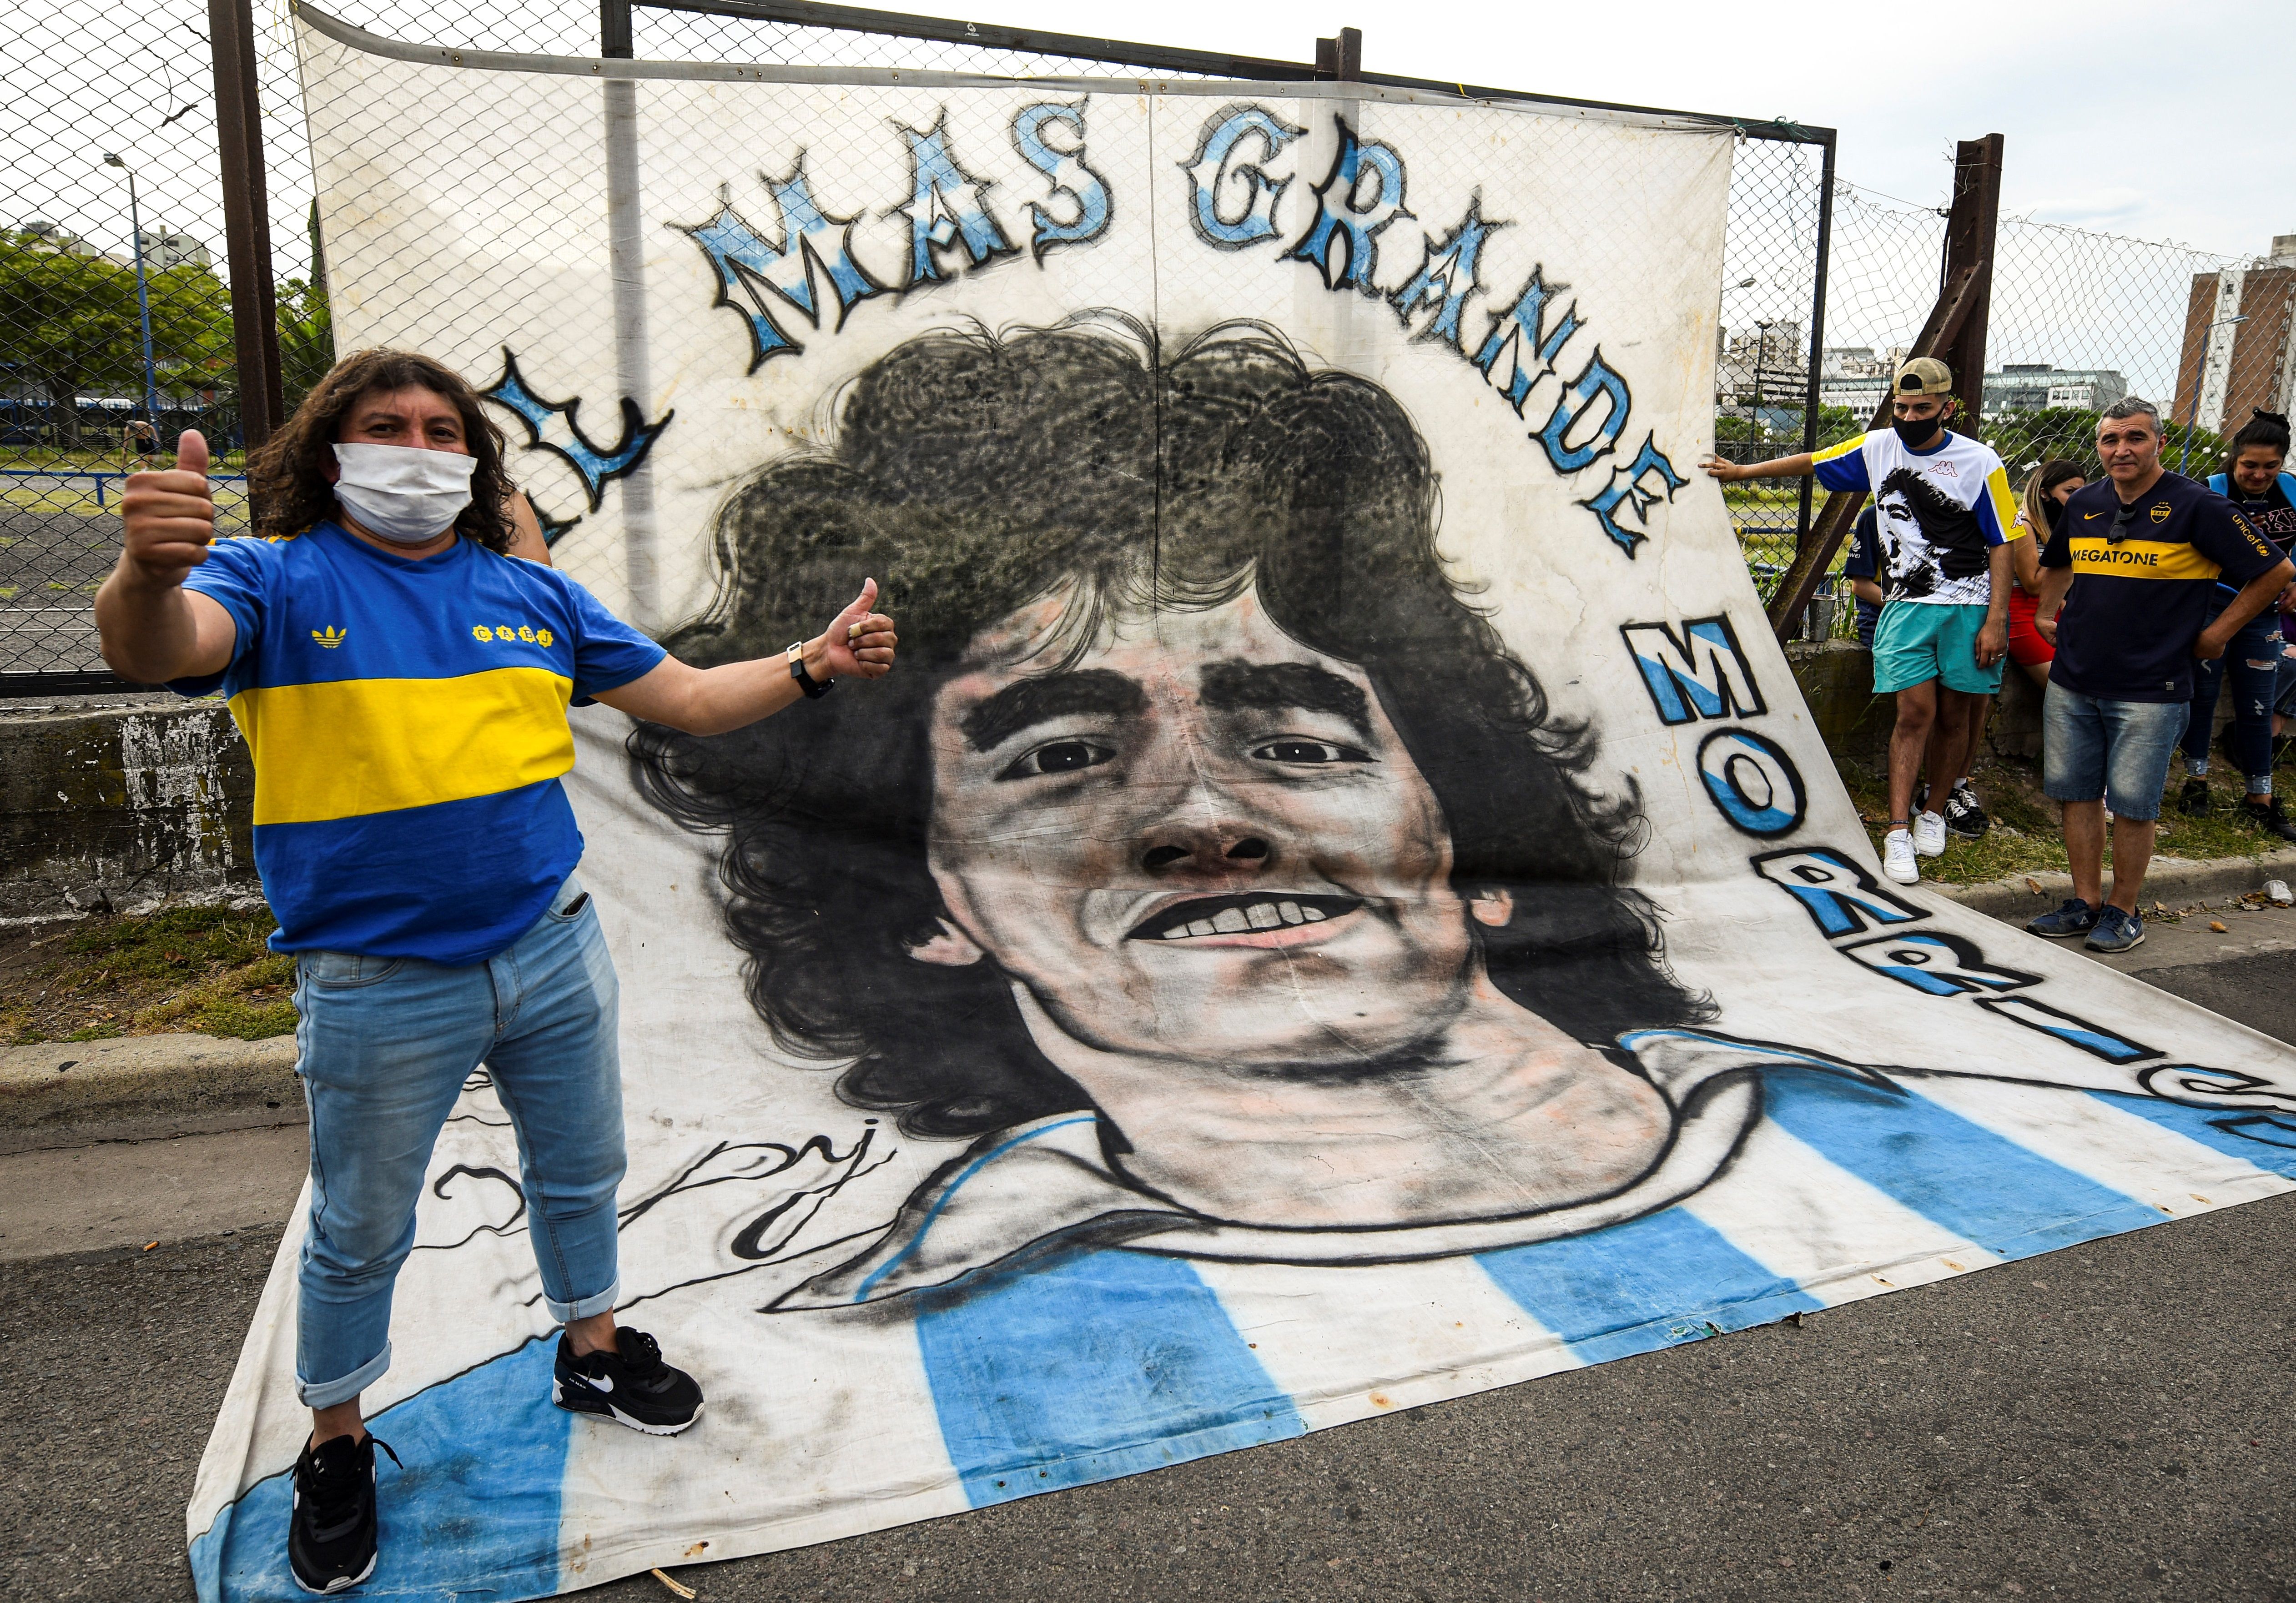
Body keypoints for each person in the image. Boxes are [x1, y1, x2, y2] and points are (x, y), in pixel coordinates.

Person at [94, 347, 899, 1595]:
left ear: (473, 459)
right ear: (328, 453)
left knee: (582, 1172)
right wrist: (145, 572)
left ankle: (590, 1349)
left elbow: (684, 696)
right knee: (360, 1232)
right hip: (374, 980)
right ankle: (336, 1442)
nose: (417, 447)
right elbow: (159, 645)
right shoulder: (272, 576)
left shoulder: (533, 596)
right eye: (384, 425)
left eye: (440, 428)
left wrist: (812, 662)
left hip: (552, 946)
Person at [1706, 357, 2013, 885]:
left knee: (1954, 717)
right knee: (1913, 712)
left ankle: (1933, 812)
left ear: (1945, 408)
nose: (1908, 416)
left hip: (1967, 608)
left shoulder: (1981, 462)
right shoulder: (1878, 448)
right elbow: (1811, 461)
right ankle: (1897, 831)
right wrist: (1741, 472)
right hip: (1905, 608)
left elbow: (2002, 539)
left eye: (1920, 408)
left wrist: (1996, 619)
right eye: (1900, 406)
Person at [2028, 398, 2290, 952]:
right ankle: (2084, 902)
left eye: (2134, 438)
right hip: (2075, 680)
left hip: (2153, 687)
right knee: (2076, 795)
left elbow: (2275, 573)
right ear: (2097, 447)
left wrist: (2217, 635)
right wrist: (2047, 613)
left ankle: (2123, 911)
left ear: (2158, 444)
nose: (2120, 449)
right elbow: (2057, 562)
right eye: (2109, 440)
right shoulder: (2087, 502)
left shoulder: (2199, 506)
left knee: (2132, 804)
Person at [2183, 408, 2296, 837]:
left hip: (2264, 611)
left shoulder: (2292, 490)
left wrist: (2294, 579)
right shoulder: (2209, 491)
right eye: (2250, 465)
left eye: (2271, 467)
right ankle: (2196, 783)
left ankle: (2260, 796)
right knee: (2202, 696)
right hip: (2214, 605)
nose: (2259, 475)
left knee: (2259, 702)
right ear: (2234, 459)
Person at [1842, 503, 1885, 649]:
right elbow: (1861, 586)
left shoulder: (1948, 512)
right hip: (1884, 624)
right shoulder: (1875, 515)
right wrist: (1912, 609)